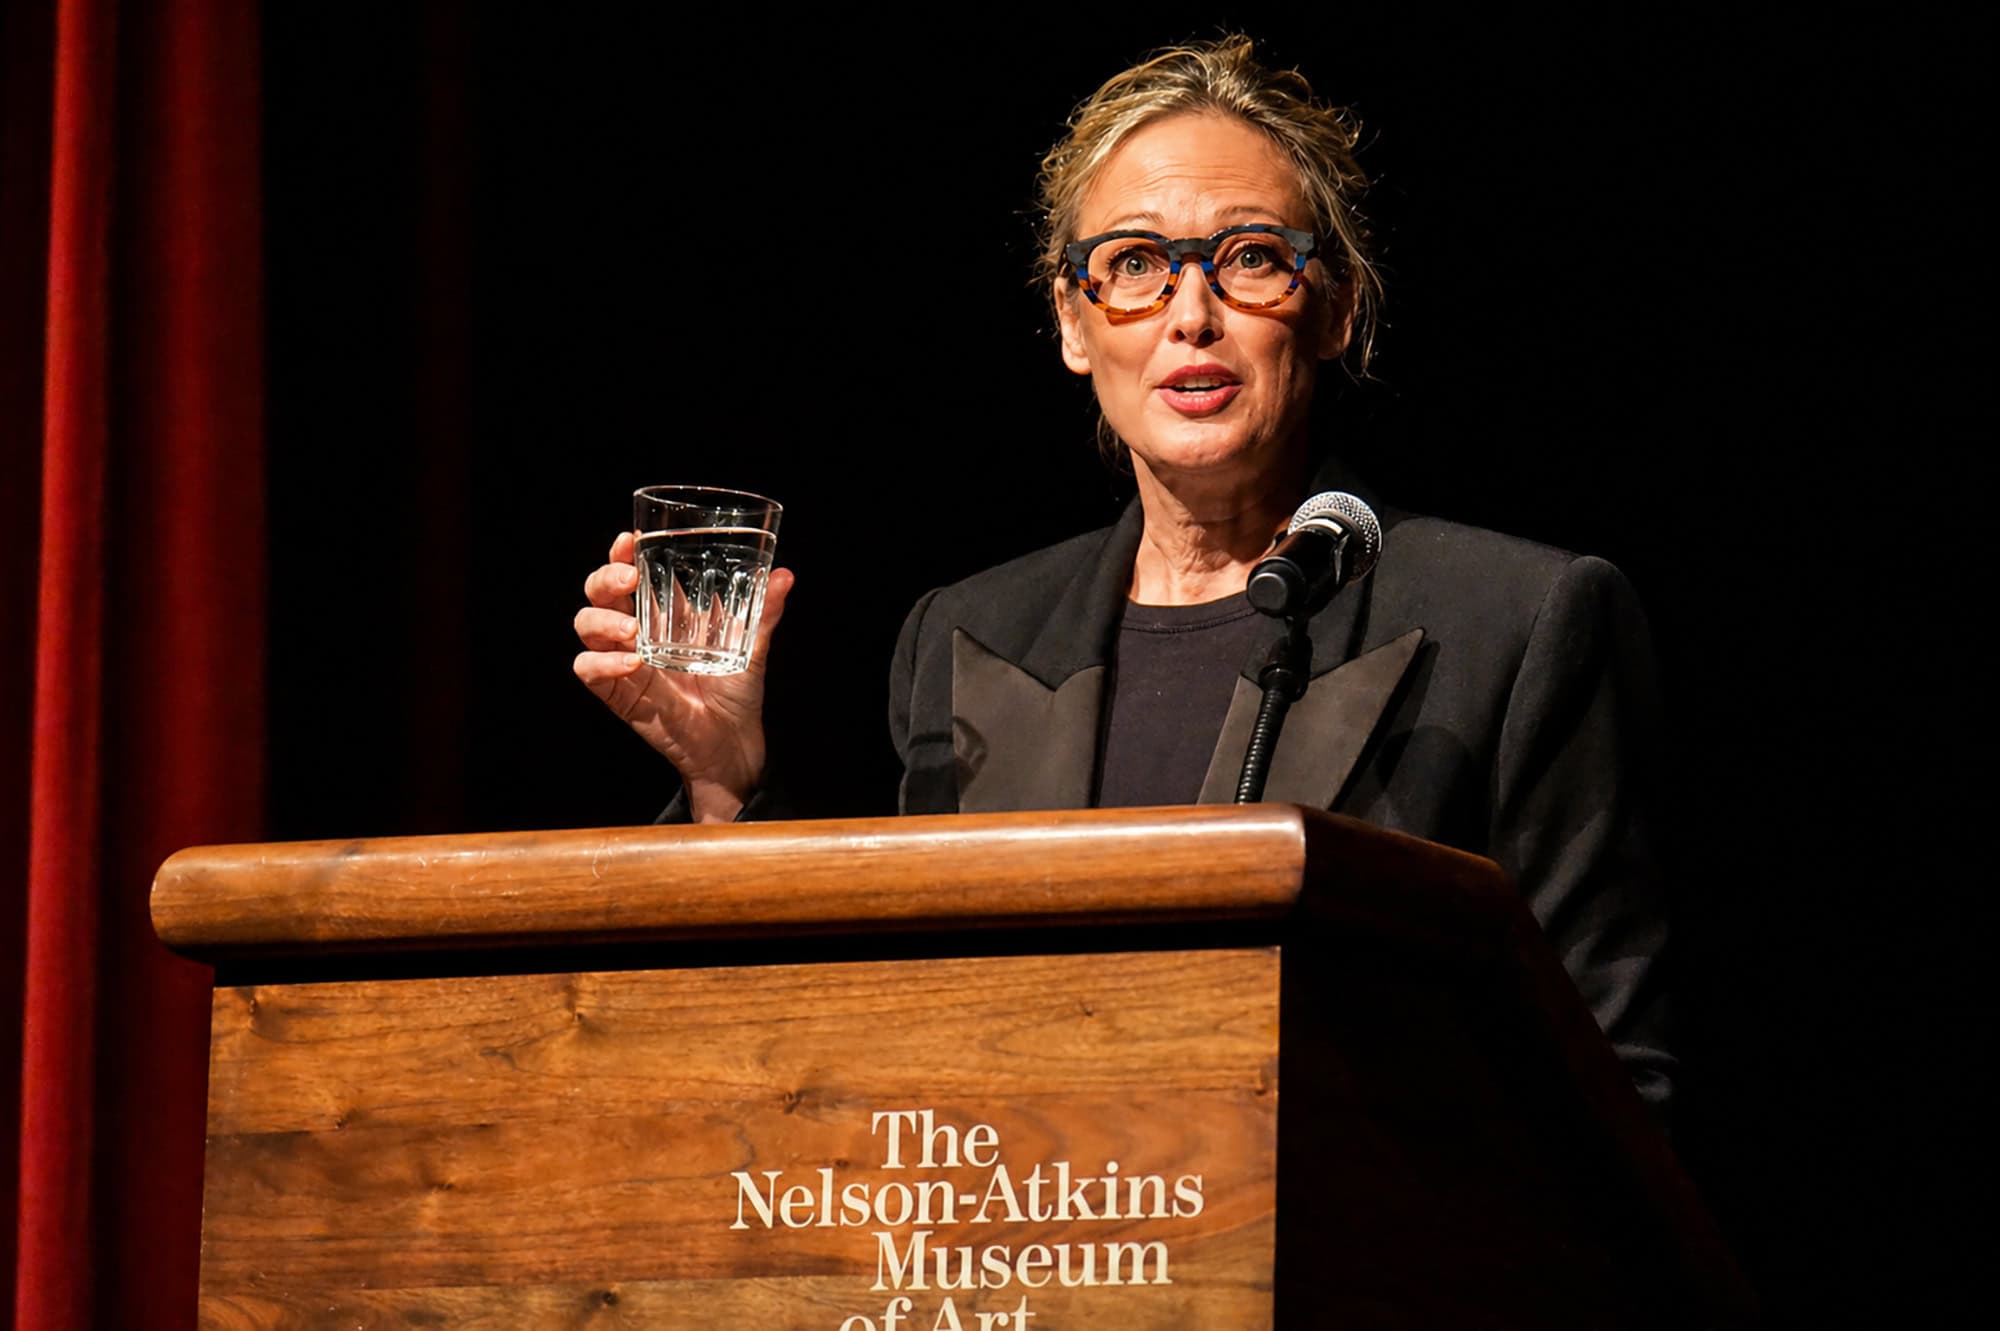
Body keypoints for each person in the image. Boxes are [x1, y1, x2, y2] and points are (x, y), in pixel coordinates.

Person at [572, 36, 1674, 1115]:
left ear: (1334, 305)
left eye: (1248, 257)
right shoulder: (968, 632)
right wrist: (725, 782)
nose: (1190, 314)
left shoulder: (1516, 621)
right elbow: (876, 1049)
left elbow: (1608, 1087)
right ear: (1070, 320)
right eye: (1136, 265)